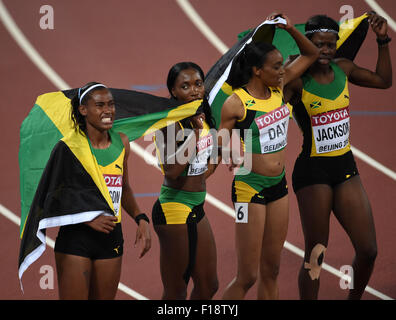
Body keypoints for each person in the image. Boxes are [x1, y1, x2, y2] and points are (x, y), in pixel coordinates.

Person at [284, 13, 392, 299]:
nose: (325, 52)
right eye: (318, 45)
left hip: (345, 167)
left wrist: (382, 40)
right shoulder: (297, 81)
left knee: (368, 250)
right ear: (309, 43)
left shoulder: (343, 68)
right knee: (316, 253)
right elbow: (272, 95)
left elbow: (383, 81)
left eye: (331, 45)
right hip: (312, 172)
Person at [218, 14, 319, 300]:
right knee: (247, 276)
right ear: (257, 71)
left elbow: (310, 53)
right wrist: (229, 151)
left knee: (272, 269)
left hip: (279, 186)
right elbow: (222, 136)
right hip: (249, 189)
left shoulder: (279, 86)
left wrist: (288, 29)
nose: (281, 69)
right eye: (275, 66)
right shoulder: (236, 102)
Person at [54, 82, 151, 299]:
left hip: (111, 237)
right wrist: (87, 218)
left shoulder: (122, 143)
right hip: (76, 237)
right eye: (99, 105)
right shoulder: (69, 146)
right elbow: (55, 194)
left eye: (111, 104)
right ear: (83, 110)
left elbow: (123, 187)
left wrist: (140, 217)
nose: (108, 110)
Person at [151, 62, 219, 300]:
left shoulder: (204, 116)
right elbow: (172, 170)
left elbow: (208, 160)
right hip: (173, 210)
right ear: (173, 92)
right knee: (176, 291)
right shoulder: (168, 123)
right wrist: (196, 135)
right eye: (185, 86)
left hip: (196, 205)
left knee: (209, 285)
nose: (194, 90)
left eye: (198, 84)